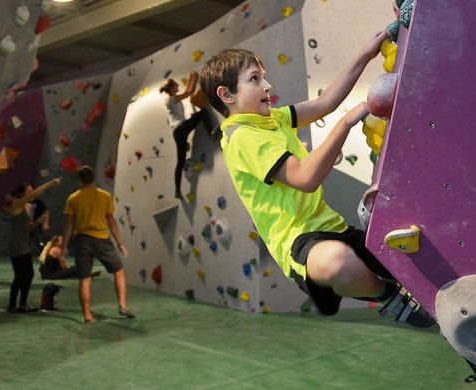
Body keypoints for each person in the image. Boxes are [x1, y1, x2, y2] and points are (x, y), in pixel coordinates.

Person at [199, 31, 435, 327]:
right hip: (301, 242)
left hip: (332, 227)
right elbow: (305, 177)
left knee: (407, 251)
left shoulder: (273, 119)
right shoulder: (242, 136)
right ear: (226, 95)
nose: (267, 85)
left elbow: (326, 102)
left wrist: (368, 51)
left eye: (264, 76)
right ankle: (389, 296)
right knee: (339, 263)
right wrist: (347, 122)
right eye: (255, 79)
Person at [62, 165, 134, 323]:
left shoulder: (73, 198)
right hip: (101, 239)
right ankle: (122, 305)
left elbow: (68, 225)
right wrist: (120, 243)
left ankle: (87, 316)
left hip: (82, 240)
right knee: (119, 271)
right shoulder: (104, 196)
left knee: (85, 279)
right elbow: (112, 221)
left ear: (80, 179)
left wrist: (63, 248)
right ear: (93, 178)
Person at [7, 178, 61, 313]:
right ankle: (12, 305)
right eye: (29, 192)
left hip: (24, 245)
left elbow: (28, 228)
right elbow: (35, 195)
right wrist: (50, 183)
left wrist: (38, 221)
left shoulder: (28, 207)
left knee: (29, 274)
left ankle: (23, 304)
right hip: (16, 245)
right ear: (21, 194)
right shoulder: (16, 204)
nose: (32, 194)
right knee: (19, 276)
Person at [160, 71, 214, 199]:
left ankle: (177, 191)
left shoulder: (171, 99)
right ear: (172, 88)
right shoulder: (171, 98)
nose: (178, 88)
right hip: (181, 129)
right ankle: (211, 132)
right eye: (176, 86)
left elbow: (188, 91)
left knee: (180, 161)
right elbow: (189, 92)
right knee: (203, 113)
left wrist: (191, 77)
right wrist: (194, 77)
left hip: (178, 132)